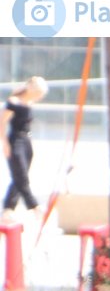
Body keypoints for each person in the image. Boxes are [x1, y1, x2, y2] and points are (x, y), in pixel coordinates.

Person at [2, 76, 48, 220]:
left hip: (27, 140)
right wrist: (4, 143)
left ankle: (8, 209)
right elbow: (1, 122)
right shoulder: (13, 103)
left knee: (18, 177)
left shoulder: (29, 103)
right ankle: (34, 207)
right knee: (21, 176)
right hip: (15, 141)